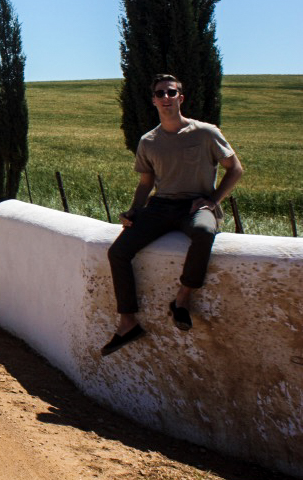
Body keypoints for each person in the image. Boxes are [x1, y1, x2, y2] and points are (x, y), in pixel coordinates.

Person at [101, 74, 243, 357]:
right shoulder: (148, 141)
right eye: (160, 93)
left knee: (203, 233)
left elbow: (235, 169)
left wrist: (212, 201)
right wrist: (134, 211)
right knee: (118, 252)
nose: (166, 97)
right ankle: (127, 321)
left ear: (181, 97)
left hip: (195, 206)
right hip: (160, 207)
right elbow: (145, 184)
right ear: (153, 100)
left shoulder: (205, 132)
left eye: (171, 92)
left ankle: (182, 298)